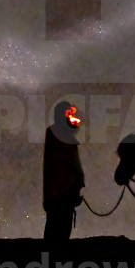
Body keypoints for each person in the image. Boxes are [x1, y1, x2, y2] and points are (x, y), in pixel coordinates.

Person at [43, 100, 84, 241]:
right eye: (69, 114)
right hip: (60, 193)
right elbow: (64, 164)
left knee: (61, 229)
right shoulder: (57, 135)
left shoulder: (61, 135)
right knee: (57, 230)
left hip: (61, 192)